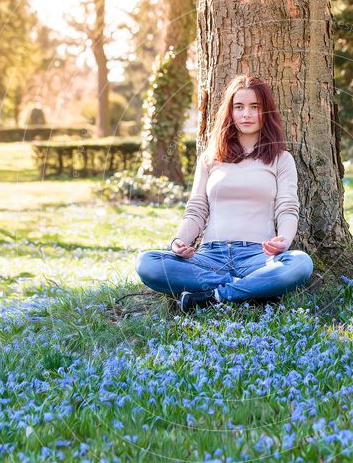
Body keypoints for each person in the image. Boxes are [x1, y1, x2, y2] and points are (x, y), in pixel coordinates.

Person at [134, 74, 314, 313]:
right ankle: (248, 291)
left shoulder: (281, 159)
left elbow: (287, 207)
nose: (246, 114)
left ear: (266, 112)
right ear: (230, 112)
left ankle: (213, 296)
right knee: (148, 263)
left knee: (300, 263)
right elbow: (197, 208)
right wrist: (180, 241)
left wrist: (285, 238)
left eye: (254, 107)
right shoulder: (210, 158)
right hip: (209, 258)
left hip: (257, 256)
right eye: (239, 107)